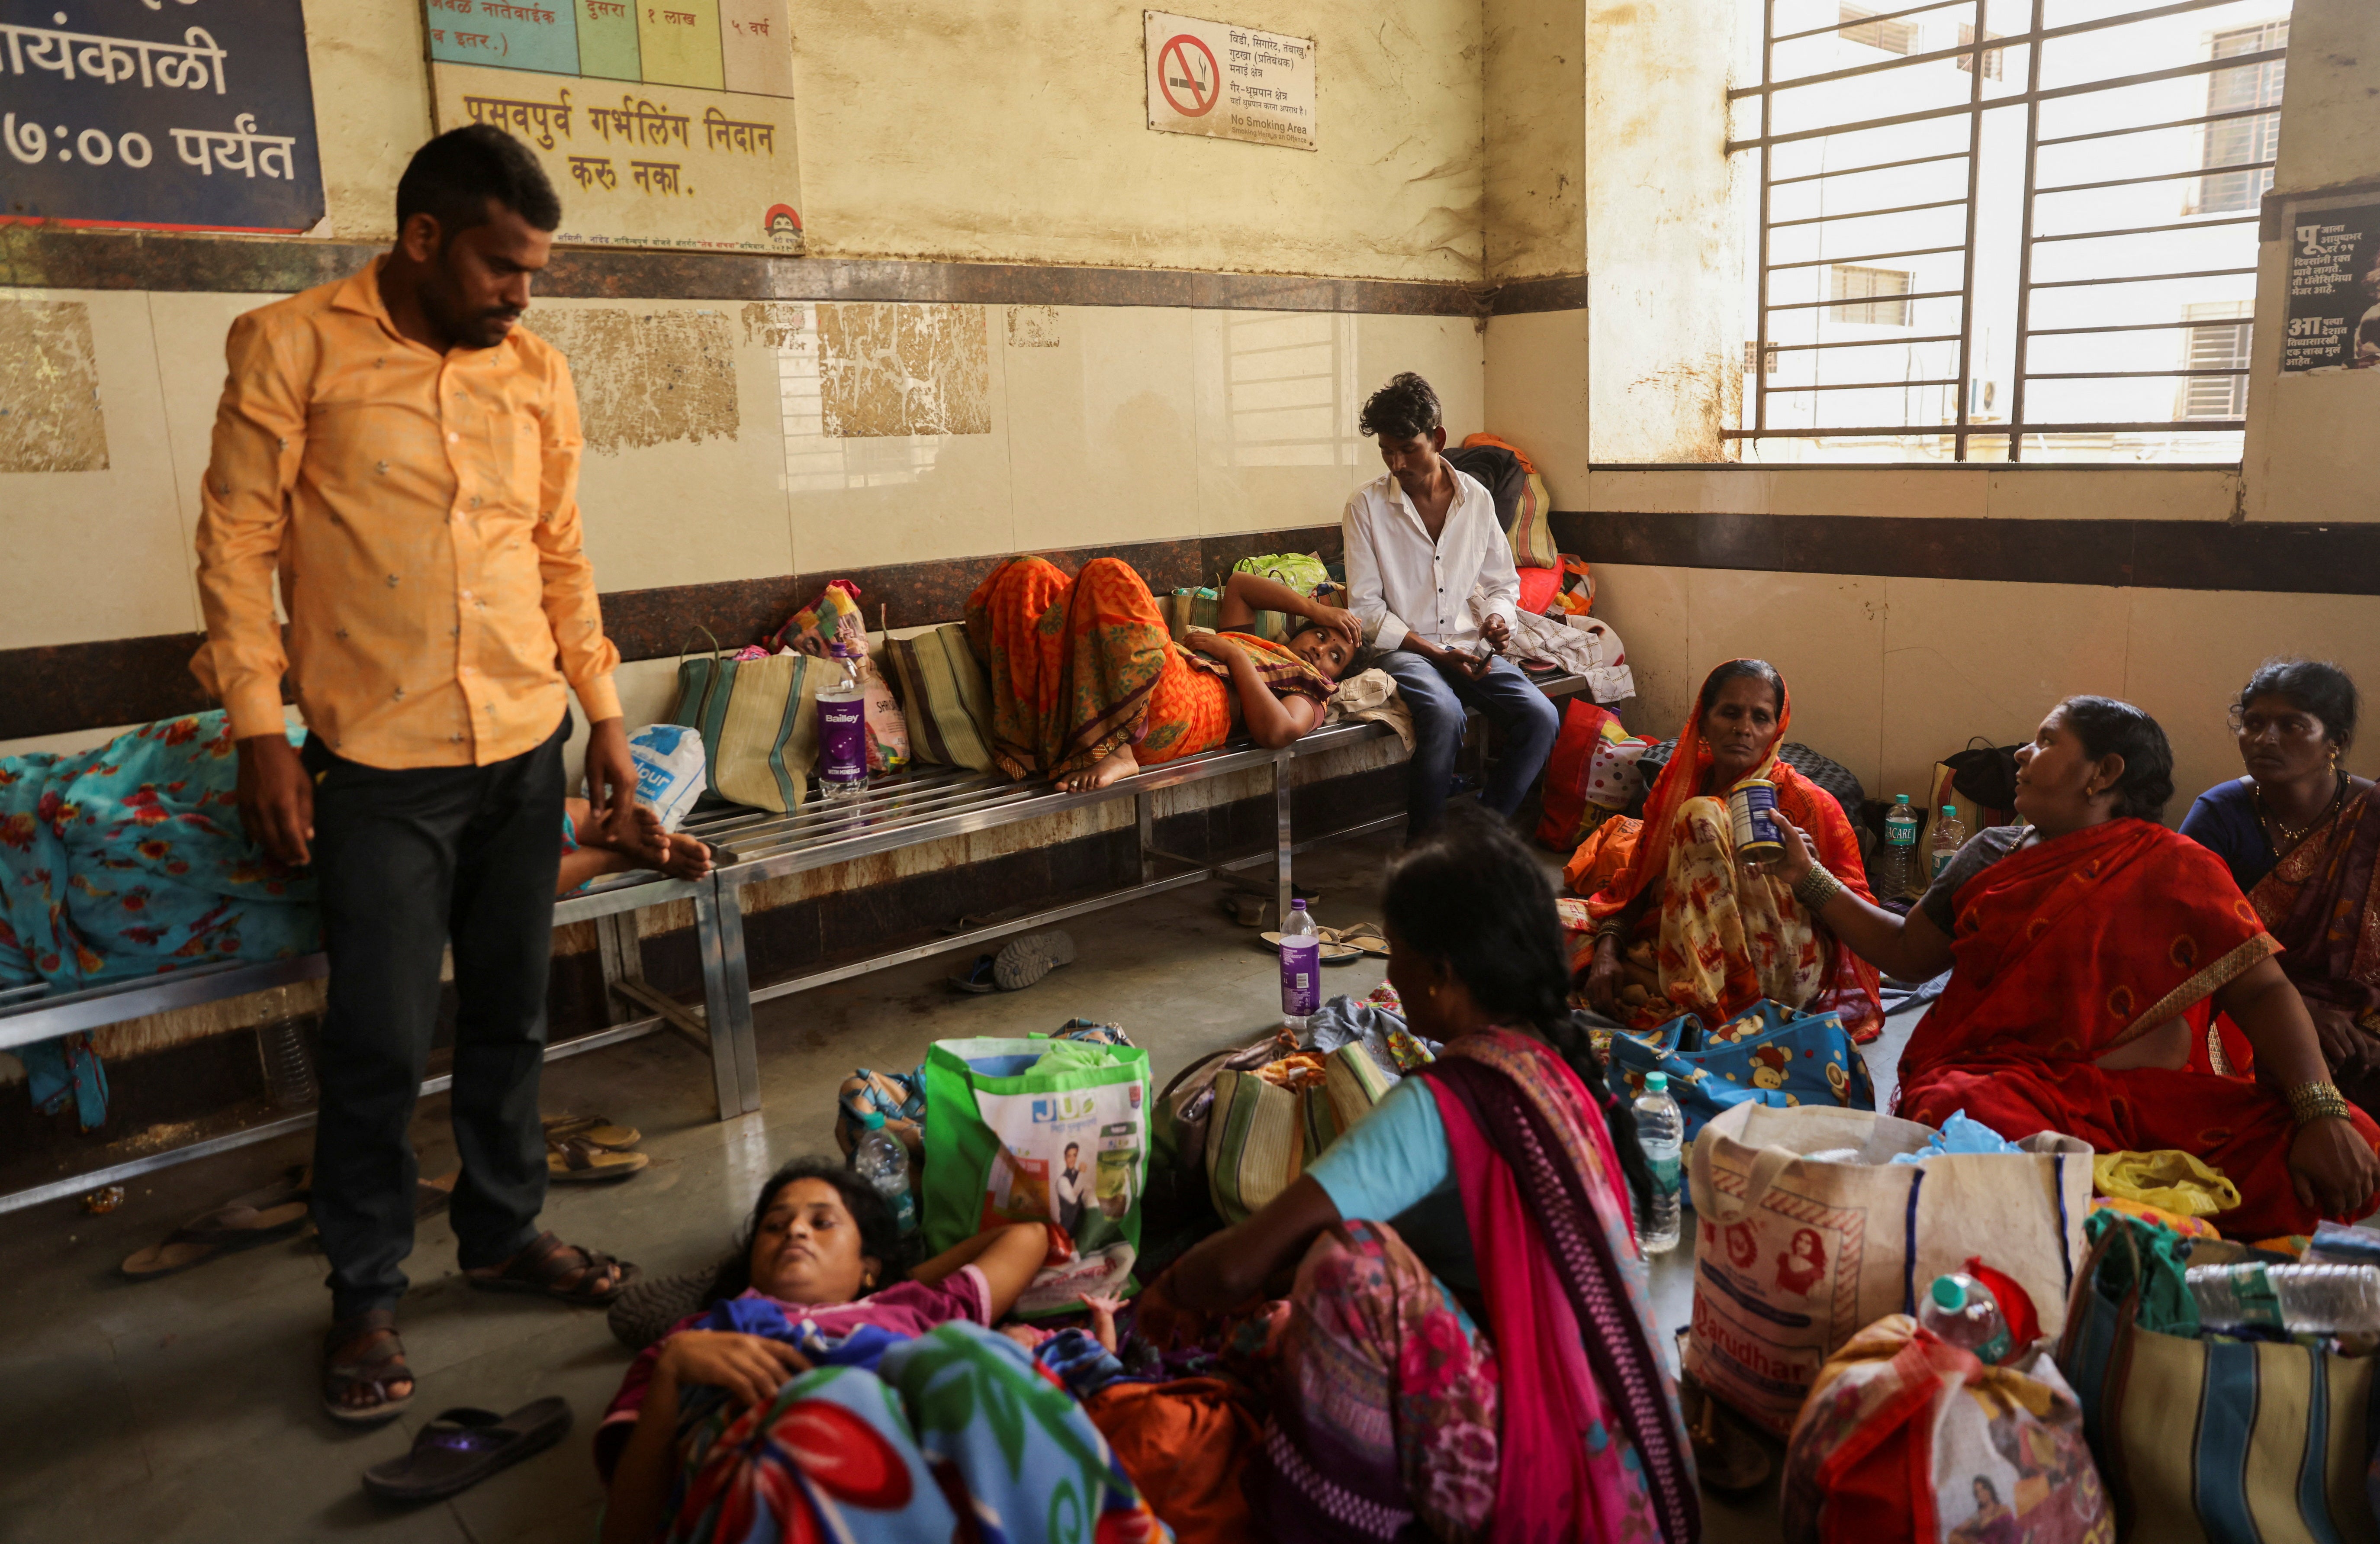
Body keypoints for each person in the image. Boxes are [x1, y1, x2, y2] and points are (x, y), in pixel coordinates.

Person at [190, 126, 641, 1423]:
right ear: (427, 238)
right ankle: (367, 1292)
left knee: (511, 1015)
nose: (523, 292)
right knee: (379, 1040)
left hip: (524, 745)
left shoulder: (538, 374)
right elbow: (236, 545)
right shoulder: (291, 345)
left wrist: (601, 712)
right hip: (377, 763)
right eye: (505, 264)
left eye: (536, 270)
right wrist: (258, 729)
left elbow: (560, 553)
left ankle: (500, 1235)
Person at [1138, 806, 1698, 1544]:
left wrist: (1158, 1297)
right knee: (1304, 1288)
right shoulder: (1568, 1072)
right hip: (1642, 1470)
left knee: (1349, 1268)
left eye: (1395, 950)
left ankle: (1346, 1523)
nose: (1387, 972)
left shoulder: (1439, 1106)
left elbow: (1238, 1268)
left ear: (1441, 975)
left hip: (1550, 1486)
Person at [1769, 694, 2380, 1241]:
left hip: (2142, 1107)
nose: (2021, 755)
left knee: (2355, 1136)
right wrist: (1808, 877)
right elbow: (1906, 952)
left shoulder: (2177, 866)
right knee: (1954, 1107)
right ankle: (2139, 1216)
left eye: (2047, 739)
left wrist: (2319, 1110)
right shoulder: (1990, 853)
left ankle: (2078, 1206)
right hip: (2011, 1085)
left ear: (2104, 773)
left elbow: (2265, 991)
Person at [595, 1159, 1161, 1544]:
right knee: (843, 1394)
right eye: (774, 1225)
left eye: (823, 1222)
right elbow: (626, 1530)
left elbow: (1031, 1235)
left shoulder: (913, 1310)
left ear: (867, 1260)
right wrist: (672, 1373)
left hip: (942, 1498)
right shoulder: (694, 1338)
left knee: (971, 1354)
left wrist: (886, 1288)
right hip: (774, 1480)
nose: (795, 1231)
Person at [1580, 659, 1884, 1042]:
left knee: (1703, 814)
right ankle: (1677, 988)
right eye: (1730, 713)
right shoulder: (1680, 787)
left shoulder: (1806, 803)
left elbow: (1865, 928)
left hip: (1783, 967)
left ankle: (1703, 1008)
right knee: (1546, 922)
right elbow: (1636, 888)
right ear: (1703, 722)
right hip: (1689, 948)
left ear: (1777, 730)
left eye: (1761, 717)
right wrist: (1607, 952)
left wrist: (1807, 874)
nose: (1744, 728)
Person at [1341, 372, 1560, 837]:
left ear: (1437, 438)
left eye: (1408, 449)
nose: (1396, 463)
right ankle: (1422, 852)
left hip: (1466, 644)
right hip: (1403, 651)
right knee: (1443, 714)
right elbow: (1365, 610)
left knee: (1540, 717)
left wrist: (1499, 619)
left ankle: (1480, 837)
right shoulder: (1366, 506)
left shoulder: (1476, 499)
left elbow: (1501, 581)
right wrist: (1437, 654)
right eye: (1386, 452)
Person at [966, 555, 1359, 792]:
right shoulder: (1256, 642)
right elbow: (1240, 586)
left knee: (1110, 575)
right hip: (1151, 678)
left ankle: (1120, 751)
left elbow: (1279, 732)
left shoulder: (1310, 688)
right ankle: (1030, 742)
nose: (1320, 649)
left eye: (1335, 656)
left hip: (1193, 711)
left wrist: (1233, 656)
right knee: (1027, 575)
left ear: (1336, 675)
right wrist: (1318, 609)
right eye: (1321, 636)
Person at [2181, 660, 2380, 1111]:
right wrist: (2299, 1017)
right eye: (2253, 723)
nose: (2265, 738)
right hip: (2246, 1004)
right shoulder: (2219, 815)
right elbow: (2187, 939)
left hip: (2363, 1015)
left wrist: (2369, 1031)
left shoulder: (2371, 818)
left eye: (2291, 725)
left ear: (2337, 742)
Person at [1054, 1140, 1090, 1238]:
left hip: (1082, 1230)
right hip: (1068, 1232)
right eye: (1069, 1156)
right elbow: (1073, 1199)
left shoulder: (1080, 1174)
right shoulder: (1062, 1180)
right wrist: (1082, 1173)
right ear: (1065, 1158)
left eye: (1075, 1155)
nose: (1072, 1159)